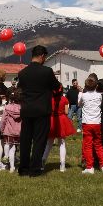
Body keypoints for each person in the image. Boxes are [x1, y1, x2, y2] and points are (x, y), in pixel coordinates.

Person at [17, 45, 60, 177]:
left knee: (25, 140)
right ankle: (35, 169)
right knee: (39, 140)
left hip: (26, 109)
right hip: (42, 110)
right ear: (42, 56)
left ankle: (23, 168)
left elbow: (20, 89)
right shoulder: (47, 71)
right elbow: (56, 86)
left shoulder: (22, 73)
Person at [43, 85, 75, 172]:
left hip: (52, 120)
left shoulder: (49, 99)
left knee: (49, 144)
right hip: (61, 120)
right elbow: (66, 112)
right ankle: (62, 165)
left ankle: (43, 161)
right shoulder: (64, 99)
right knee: (62, 143)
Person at [78, 76, 103, 174]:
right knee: (98, 144)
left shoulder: (83, 95)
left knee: (88, 145)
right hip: (97, 123)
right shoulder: (99, 96)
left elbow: (79, 104)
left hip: (87, 123)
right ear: (96, 86)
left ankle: (90, 167)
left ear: (86, 86)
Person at [0, 88, 22, 173]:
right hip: (19, 131)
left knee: (11, 149)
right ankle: (19, 165)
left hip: (9, 131)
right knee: (17, 149)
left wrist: (2, 129)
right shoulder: (22, 108)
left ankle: (12, 167)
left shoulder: (7, 107)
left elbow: (3, 120)